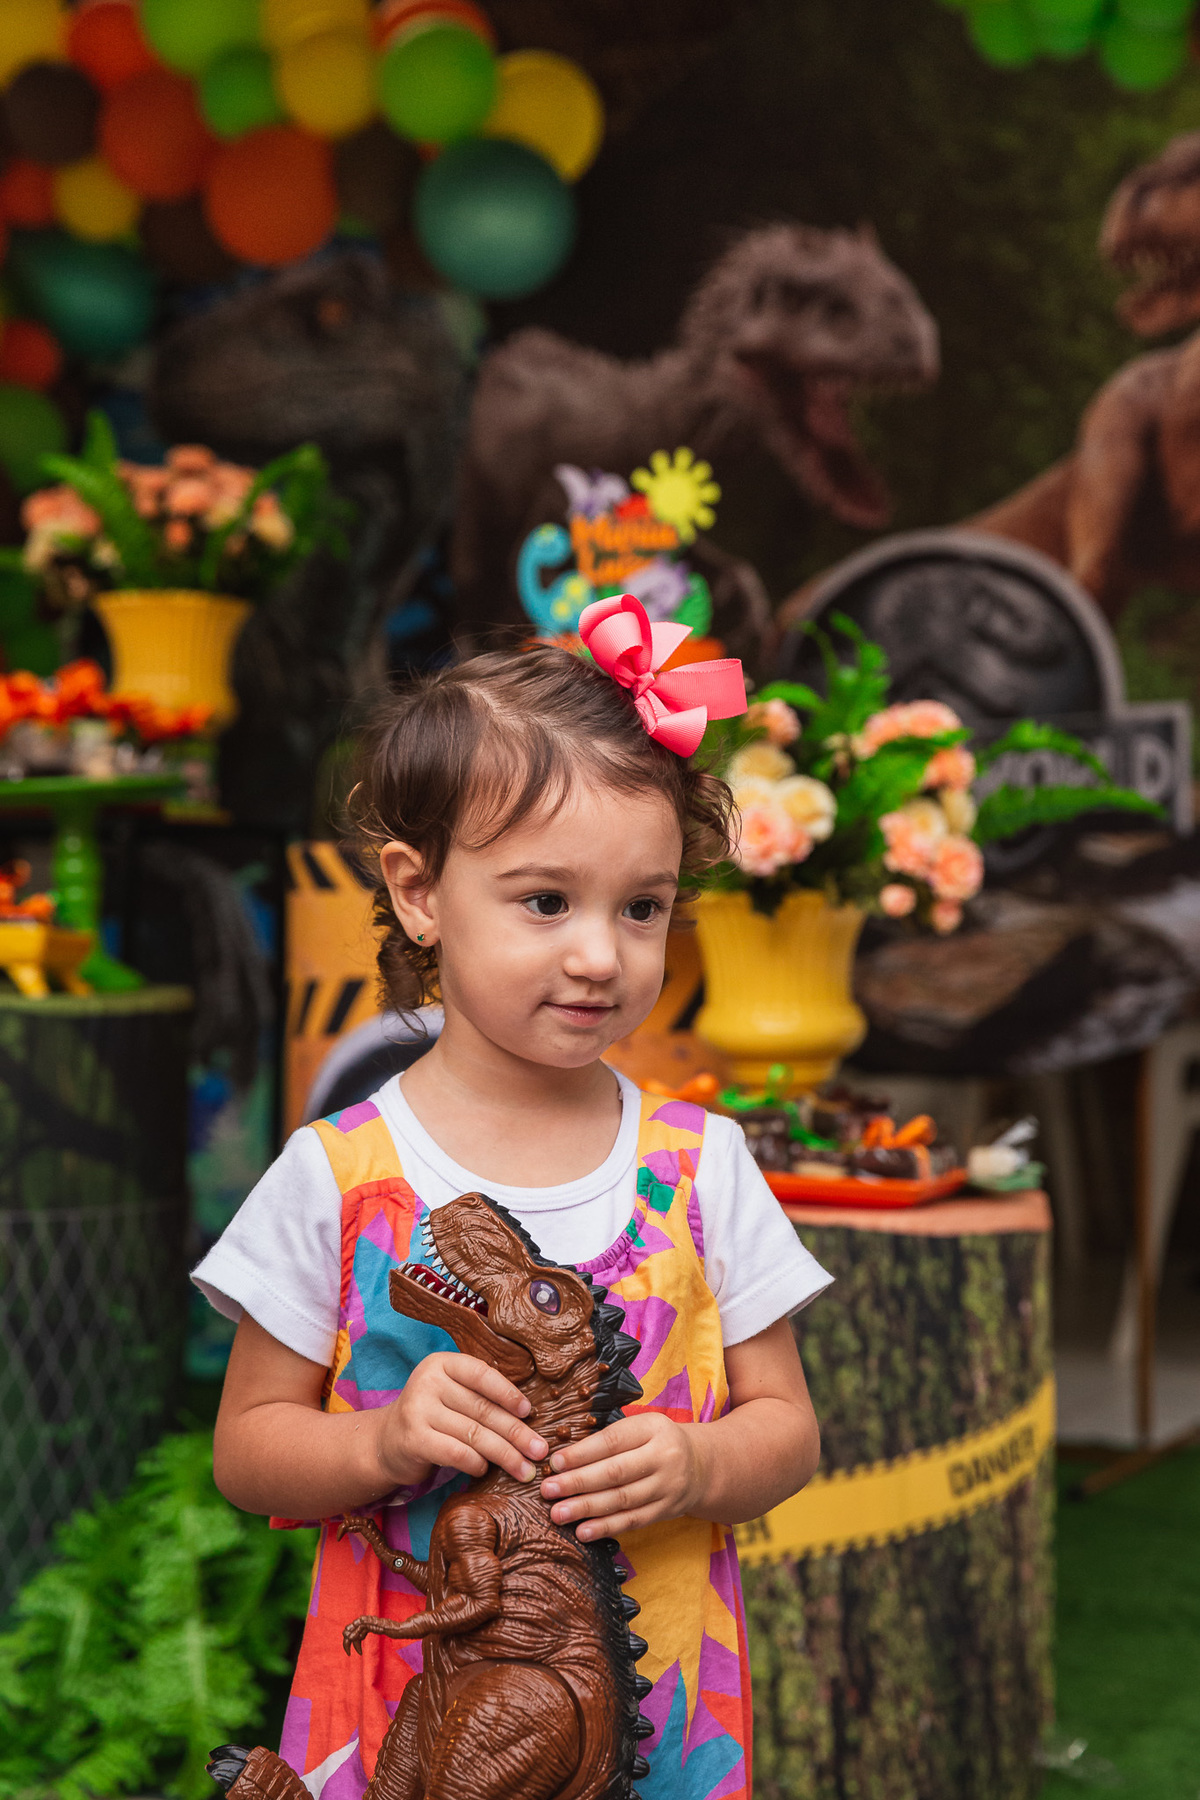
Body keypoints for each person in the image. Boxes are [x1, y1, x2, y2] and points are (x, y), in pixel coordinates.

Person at [194, 596, 830, 1800]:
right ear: (422, 894)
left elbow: (786, 1426)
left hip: (656, 1726)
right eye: (547, 902)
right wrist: (380, 1440)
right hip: (410, 1717)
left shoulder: (706, 1167)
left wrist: (701, 1466)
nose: (602, 953)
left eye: (641, 907)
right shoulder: (333, 1176)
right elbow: (248, 1451)